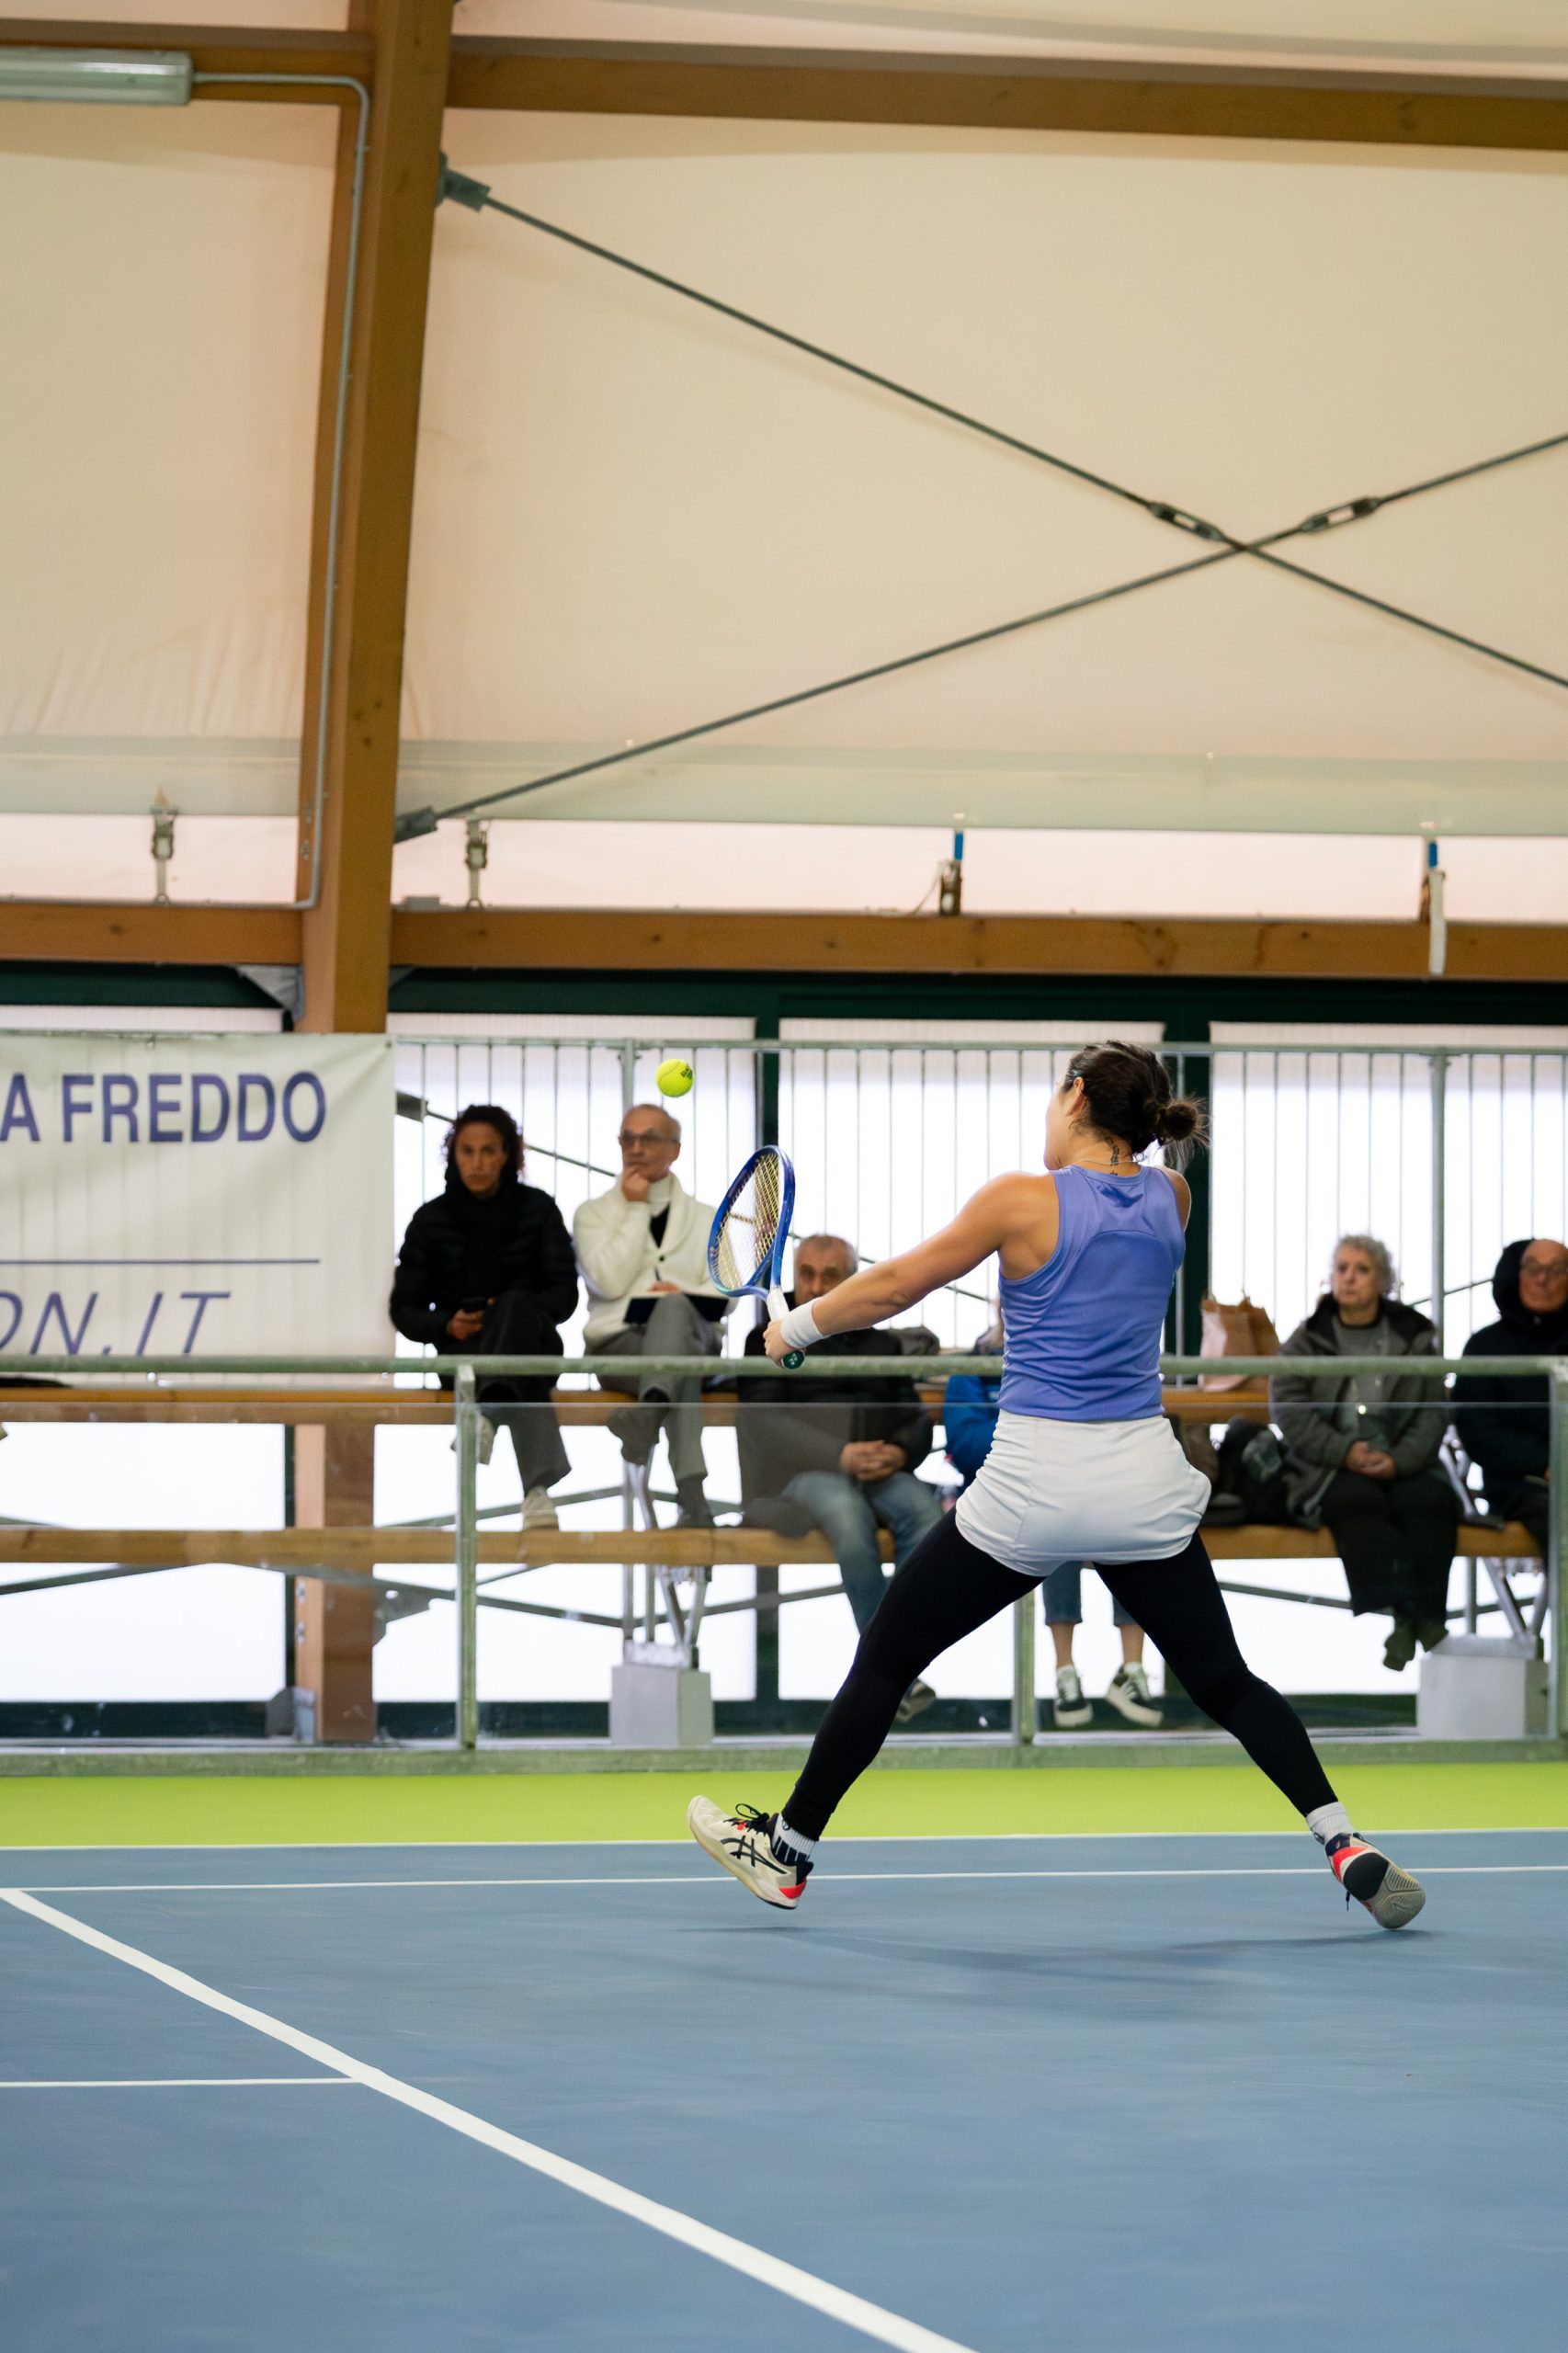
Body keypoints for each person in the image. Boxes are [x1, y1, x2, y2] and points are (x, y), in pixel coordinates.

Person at [688, 1041, 1425, 1932]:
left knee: (886, 1659)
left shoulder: (1020, 1199)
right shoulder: (1172, 1196)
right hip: (1144, 1486)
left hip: (1033, 1488)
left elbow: (893, 1285)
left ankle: (788, 1849)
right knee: (1225, 1680)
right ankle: (1341, 1840)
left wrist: (793, 1328)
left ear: (1074, 1095)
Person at [738, 1233, 943, 1725]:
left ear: (851, 1279)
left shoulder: (881, 1342)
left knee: (925, 1514)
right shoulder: (766, 1337)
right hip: (802, 1477)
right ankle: (890, 1673)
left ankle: (896, 1663)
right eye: (806, 1274)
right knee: (848, 1518)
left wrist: (898, 1451)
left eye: (830, 1276)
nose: (815, 1286)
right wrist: (839, 1454)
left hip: (879, 1471)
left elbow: (914, 1417)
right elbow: (764, 1424)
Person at [945, 1313, 1162, 1729]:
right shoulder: (975, 1367)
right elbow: (967, 1445)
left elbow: (1112, 1427)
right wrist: (1040, 1433)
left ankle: (1131, 1668)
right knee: (1058, 1527)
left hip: (1085, 1485)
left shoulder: (1082, 1360)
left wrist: (1043, 1432)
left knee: (1129, 1519)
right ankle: (1066, 1669)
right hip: (1008, 1494)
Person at [1271, 1236, 1460, 1672]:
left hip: (1402, 1457)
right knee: (1358, 1501)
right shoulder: (1309, 1337)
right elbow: (1287, 1405)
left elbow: (1433, 1409)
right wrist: (1342, 1451)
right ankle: (1412, 1615)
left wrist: (1400, 1460)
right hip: (1331, 1463)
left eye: (1361, 1269)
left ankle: (1416, 1617)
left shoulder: (1413, 1335)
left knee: (1429, 1502)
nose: (1349, 1278)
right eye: (1341, 1268)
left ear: (1383, 1280)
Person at [390, 1104, 576, 1529]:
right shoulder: (430, 1220)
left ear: (507, 1154)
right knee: (521, 1369)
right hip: (465, 1354)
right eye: (467, 1151)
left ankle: (485, 1416)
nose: (477, 1163)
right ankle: (537, 1494)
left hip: (533, 1343)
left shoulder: (539, 1209)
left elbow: (564, 1298)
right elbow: (404, 1310)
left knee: (515, 1308)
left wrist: (510, 1310)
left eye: (488, 1151)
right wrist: (447, 1324)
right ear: (454, 1155)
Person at [573, 1102, 727, 1527]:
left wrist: (680, 1294)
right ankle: (693, 1498)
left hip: (695, 1337)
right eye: (628, 1138)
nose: (636, 1148)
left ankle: (648, 1416)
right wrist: (636, 1208)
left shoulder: (709, 1218)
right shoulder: (592, 1214)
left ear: (675, 1149)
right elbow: (609, 1282)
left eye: (649, 1138)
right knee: (680, 1367)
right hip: (619, 1346)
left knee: (675, 1314)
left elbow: (725, 1294)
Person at [1453, 1237, 1568, 1555]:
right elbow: (1477, 1431)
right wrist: (1548, 1462)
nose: (1542, 1279)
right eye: (1533, 1268)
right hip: (1520, 1484)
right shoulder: (1485, 1347)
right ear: (1517, 1275)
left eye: (1557, 1269)